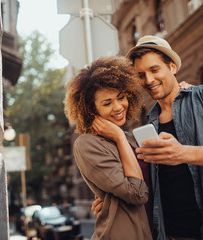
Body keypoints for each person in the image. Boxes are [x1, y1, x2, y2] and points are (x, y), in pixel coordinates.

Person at [93, 36, 203, 240]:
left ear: (173, 67)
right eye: (141, 75)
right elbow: (146, 185)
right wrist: (112, 200)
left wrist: (182, 152)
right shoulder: (149, 125)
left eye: (154, 70)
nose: (148, 80)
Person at [64, 56, 153, 240]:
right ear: (91, 109)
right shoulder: (87, 144)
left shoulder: (131, 138)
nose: (118, 107)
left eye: (121, 97)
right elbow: (137, 194)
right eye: (107, 103)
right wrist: (120, 137)